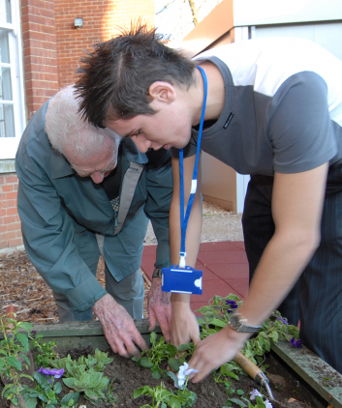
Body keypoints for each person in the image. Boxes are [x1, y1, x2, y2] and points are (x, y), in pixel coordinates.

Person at [75, 26, 342, 377]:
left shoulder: (292, 89)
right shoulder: (188, 100)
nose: (141, 147)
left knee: (321, 325)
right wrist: (180, 300)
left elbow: (298, 236)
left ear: (163, 93)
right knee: (274, 309)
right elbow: (185, 206)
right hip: (272, 171)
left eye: (138, 131)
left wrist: (232, 334)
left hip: (334, 179)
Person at [16, 85, 173, 358]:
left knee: (125, 279)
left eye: (105, 167)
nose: (99, 179)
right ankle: (77, 359)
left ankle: (134, 352)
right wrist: (98, 303)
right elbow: (46, 237)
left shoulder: (146, 125)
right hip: (73, 215)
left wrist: (167, 278)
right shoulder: (34, 151)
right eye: (86, 171)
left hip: (130, 209)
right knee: (75, 294)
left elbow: (171, 210)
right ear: (60, 151)